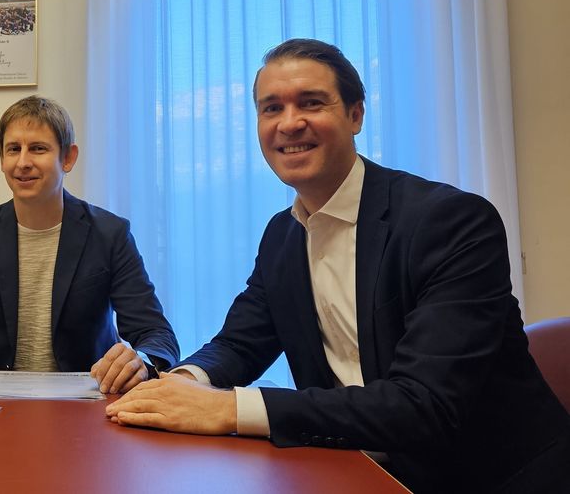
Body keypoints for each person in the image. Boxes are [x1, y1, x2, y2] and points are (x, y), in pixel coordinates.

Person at [106, 38, 570, 493]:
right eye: (271, 108)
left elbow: (423, 403)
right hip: (355, 470)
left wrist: (227, 409)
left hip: (488, 478)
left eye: (311, 102)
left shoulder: (450, 221)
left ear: (355, 115)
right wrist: (177, 385)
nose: (290, 123)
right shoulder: (282, 235)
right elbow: (239, 344)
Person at [0, 96, 179, 395]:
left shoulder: (110, 233)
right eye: (13, 149)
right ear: (1, 159)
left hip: (88, 401)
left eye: (38, 149)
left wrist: (140, 361)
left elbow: (155, 332)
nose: (23, 162)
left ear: (68, 158)